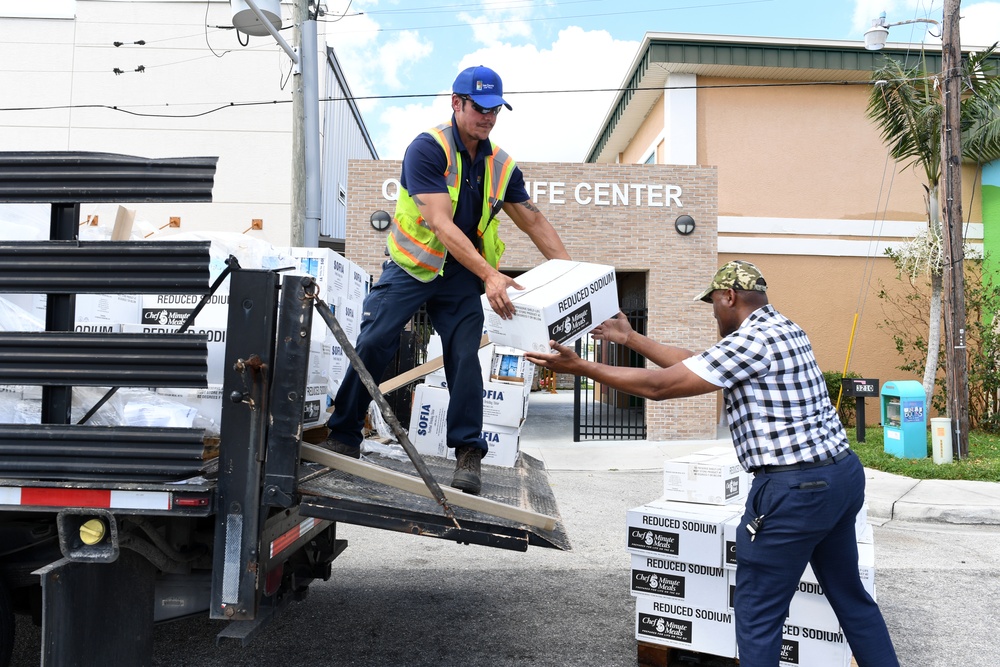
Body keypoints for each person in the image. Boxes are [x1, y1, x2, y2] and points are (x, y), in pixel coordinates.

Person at [525, 260, 899, 666]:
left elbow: (660, 387)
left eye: (714, 304)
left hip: (794, 491)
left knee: (758, 615)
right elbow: (696, 362)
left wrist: (579, 366)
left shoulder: (751, 341)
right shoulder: (785, 328)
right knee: (850, 597)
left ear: (729, 297)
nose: (714, 313)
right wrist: (631, 338)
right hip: (841, 476)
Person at [324, 65, 570, 495]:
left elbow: (534, 222)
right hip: (413, 266)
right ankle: (344, 434)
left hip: (459, 274)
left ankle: (468, 453)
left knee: (463, 358)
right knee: (375, 339)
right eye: (480, 108)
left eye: (496, 109)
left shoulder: (502, 165)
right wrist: (491, 275)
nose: (488, 117)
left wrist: (573, 277)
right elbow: (439, 223)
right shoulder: (427, 149)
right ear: (456, 104)